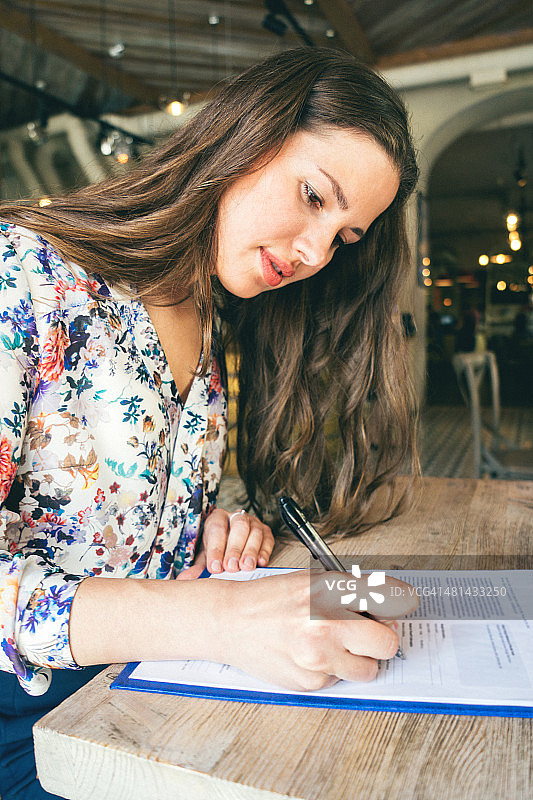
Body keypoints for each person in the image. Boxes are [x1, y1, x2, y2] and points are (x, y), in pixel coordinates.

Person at [0, 47, 419, 798]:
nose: (315, 252)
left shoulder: (211, 314)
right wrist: (217, 618)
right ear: (242, 137)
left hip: (140, 685)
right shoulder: (22, 273)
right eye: (313, 197)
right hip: (23, 721)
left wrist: (206, 522)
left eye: (344, 237)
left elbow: (111, 504)